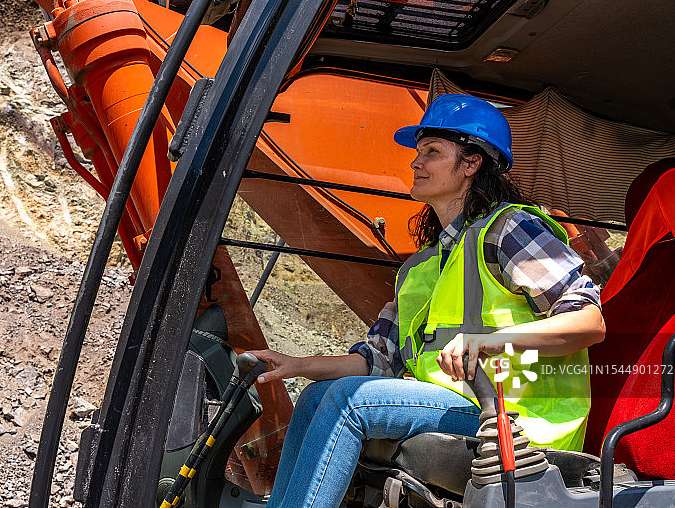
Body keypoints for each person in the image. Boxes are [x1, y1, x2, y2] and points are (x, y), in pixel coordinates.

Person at [249, 94, 606, 508]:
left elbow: (588, 322)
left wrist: (489, 341)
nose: (416, 163)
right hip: (458, 403)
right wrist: (297, 365)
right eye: (418, 153)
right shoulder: (422, 266)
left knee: (350, 401)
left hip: (513, 416)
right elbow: (374, 360)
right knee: (316, 396)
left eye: (432, 152)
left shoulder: (511, 229)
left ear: (471, 164)